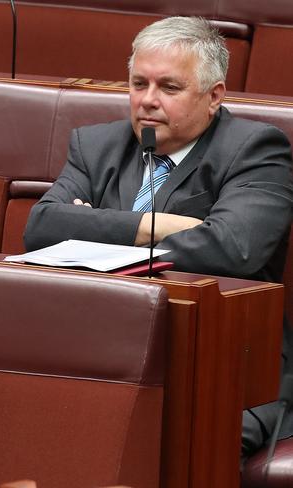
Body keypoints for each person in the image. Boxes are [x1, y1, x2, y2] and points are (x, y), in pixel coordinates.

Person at [23, 17, 293, 458]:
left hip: (223, 368)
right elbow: (42, 228)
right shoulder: (95, 146)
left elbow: (232, 249)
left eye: (169, 88)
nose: (147, 101)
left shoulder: (254, 149)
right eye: (138, 83)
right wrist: (155, 224)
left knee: (177, 446)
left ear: (214, 96)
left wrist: (96, 228)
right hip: (102, 352)